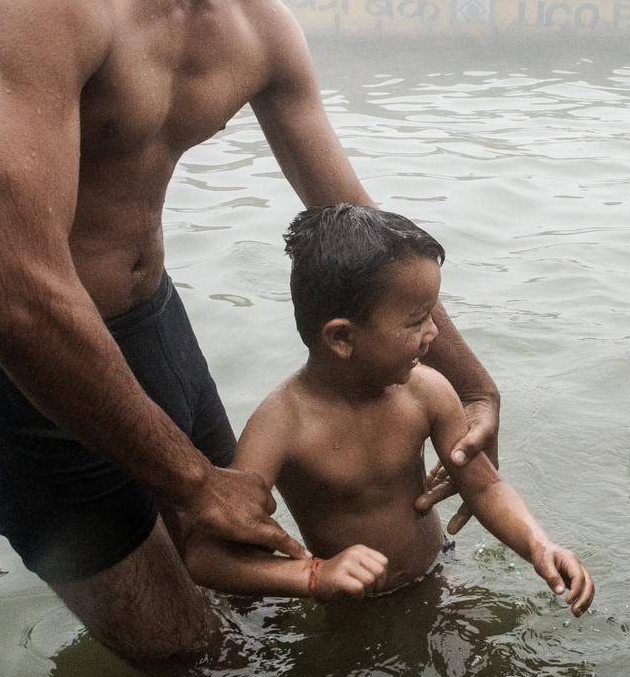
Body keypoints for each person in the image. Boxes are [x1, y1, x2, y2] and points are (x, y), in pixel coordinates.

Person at [0, 0, 499, 663]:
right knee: (184, 658)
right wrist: (190, 479)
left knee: (246, 577)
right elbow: (13, 295)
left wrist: (477, 395)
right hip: (14, 367)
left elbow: (359, 232)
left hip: (151, 324)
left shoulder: (257, 22)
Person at [185, 205, 594, 615]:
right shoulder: (281, 425)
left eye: (432, 313)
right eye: (416, 321)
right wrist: (315, 576)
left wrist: (540, 546)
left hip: (439, 573)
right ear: (342, 337)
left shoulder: (427, 392)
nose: (433, 333)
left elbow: (484, 488)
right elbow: (208, 558)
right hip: (351, 606)